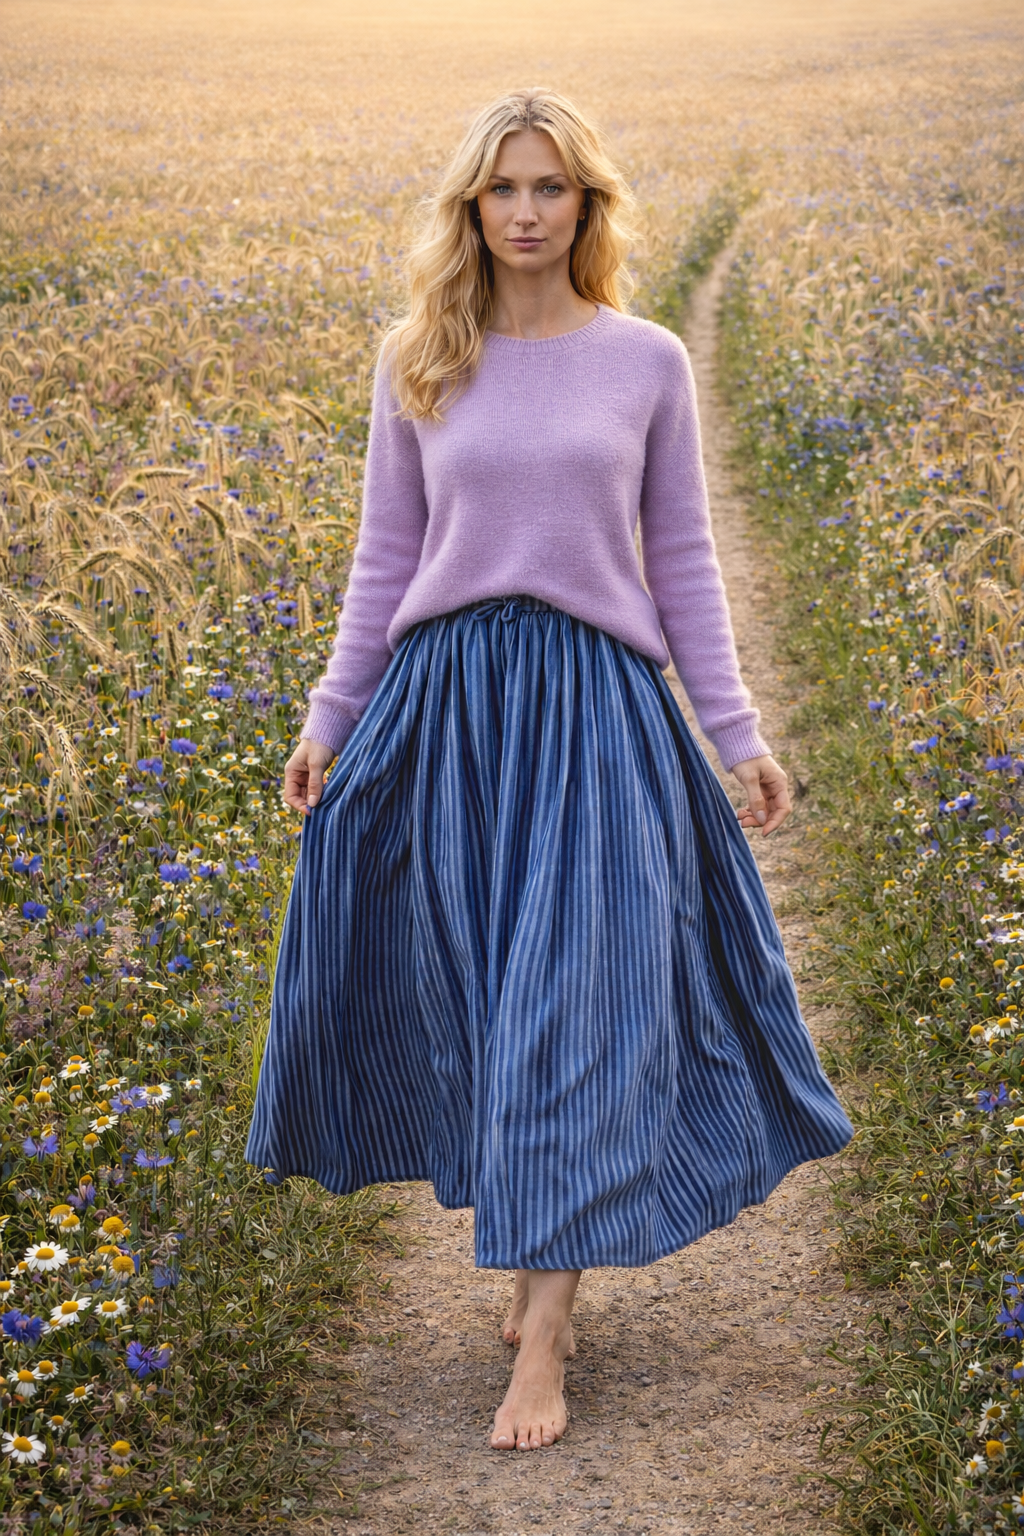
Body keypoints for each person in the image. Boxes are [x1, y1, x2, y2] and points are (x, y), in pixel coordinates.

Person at [245, 88, 852, 1455]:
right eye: (503, 191)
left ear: (587, 205)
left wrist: (738, 733)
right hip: (448, 713)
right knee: (478, 1000)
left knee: (574, 1005)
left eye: (551, 189)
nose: (526, 212)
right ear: (472, 209)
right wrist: (329, 719)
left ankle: (547, 1328)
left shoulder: (646, 364)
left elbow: (684, 564)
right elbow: (382, 565)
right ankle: (536, 1261)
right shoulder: (422, 358)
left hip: (595, 720)